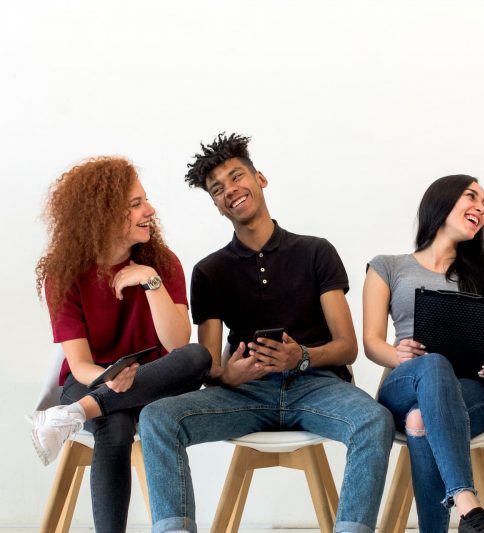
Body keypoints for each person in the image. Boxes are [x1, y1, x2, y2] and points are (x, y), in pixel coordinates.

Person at [138, 132, 394, 533]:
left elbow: (347, 347)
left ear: (260, 178)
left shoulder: (315, 251)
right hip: (246, 394)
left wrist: (302, 356)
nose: (230, 191)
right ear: (217, 206)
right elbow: (207, 363)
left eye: (237, 176)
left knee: (374, 421)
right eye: (217, 189)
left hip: (316, 386)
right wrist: (227, 374)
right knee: (156, 417)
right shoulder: (210, 271)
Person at [31, 157, 211, 533]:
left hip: (151, 380)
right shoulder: (63, 275)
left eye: (144, 200)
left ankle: (75, 414)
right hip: (92, 380)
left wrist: (150, 281)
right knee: (113, 427)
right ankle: (88, 407)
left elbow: (178, 343)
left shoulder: (162, 263)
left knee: (198, 356)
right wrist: (109, 379)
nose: (150, 210)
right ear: (102, 214)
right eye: (135, 204)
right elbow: (79, 364)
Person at [363, 175, 484, 533]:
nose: (480, 208)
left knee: (420, 421)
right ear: (440, 202)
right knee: (431, 363)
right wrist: (397, 354)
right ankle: (467, 502)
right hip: (406, 382)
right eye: (471, 197)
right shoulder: (388, 266)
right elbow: (372, 342)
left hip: (471, 392)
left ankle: (459, 517)